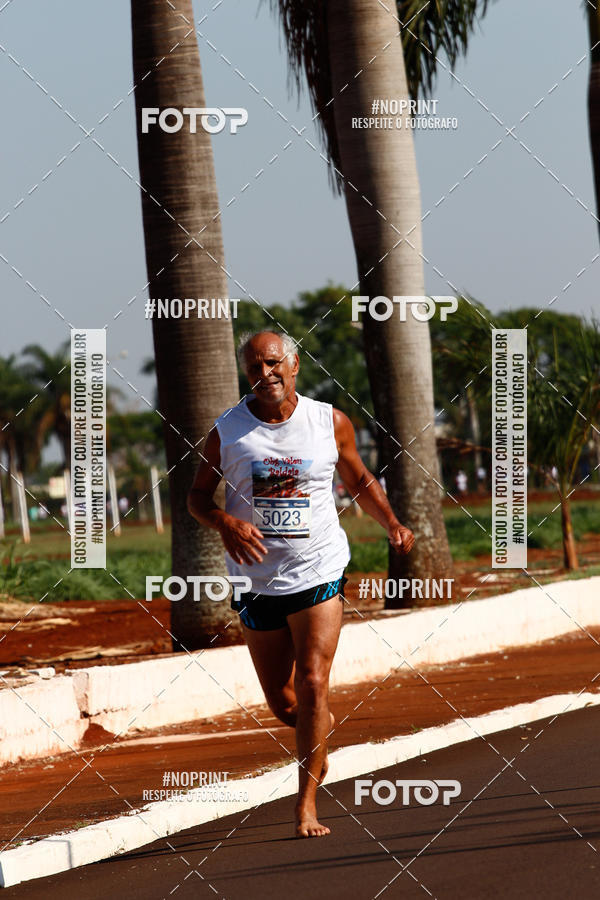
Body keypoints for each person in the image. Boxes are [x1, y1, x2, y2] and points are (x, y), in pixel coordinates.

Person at [187, 331, 415, 838]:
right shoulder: (227, 431)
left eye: (272, 364)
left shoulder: (327, 421)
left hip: (318, 571)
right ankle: (318, 744)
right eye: (253, 368)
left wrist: (392, 524)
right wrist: (224, 522)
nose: (263, 374)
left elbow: (359, 480)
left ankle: (306, 803)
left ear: (294, 367)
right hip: (255, 580)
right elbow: (198, 499)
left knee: (314, 682)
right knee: (284, 702)